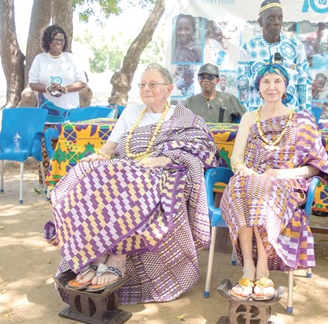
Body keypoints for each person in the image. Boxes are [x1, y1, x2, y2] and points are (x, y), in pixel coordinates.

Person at [44, 63, 218, 304]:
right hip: (126, 170)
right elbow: (109, 149)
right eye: (142, 84)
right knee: (90, 177)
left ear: (168, 89)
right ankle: (95, 253)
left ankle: (118, 258)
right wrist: (92, 161)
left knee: (130, 184)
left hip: (161, 174)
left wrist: (164, 158)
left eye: (152, 84)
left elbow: (203, 149)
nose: (146, 89)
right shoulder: (131, 112)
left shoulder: (183, 116)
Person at [220, 56, 328, 300]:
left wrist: (279, 174)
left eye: (277, 81)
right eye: (265, 81)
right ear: (258, 87)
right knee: (244, 187)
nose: (271, 87)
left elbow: (315, 168)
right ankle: (248, 267)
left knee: (262, 192)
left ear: (285, 86)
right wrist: (245, 171)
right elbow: (236, 159)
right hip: (249, 179)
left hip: (286, 183)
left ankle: (262, 268)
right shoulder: (248, 118)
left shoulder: (302, 119)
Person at [28, 25, 87, 183]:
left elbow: (82, 82)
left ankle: (70, 182)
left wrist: (65, 89)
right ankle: (48, 182)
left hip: (69, 112)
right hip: (47, 114)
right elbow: (32, 83)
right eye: (55, 40)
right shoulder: (40, 59)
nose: (58, 43)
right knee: (48, 147)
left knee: (70, 147)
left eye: (61, 40)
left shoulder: (71, 59)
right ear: (48, 41)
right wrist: (47, 88)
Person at [237, 0, 312, 112]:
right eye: (271, 18)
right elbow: (240, 84)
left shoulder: (295, 46)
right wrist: (263, 74)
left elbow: (304, 83)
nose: (277, 22)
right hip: (257, 115)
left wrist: (306, 114)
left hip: (289, 115)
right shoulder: (248, 47)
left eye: (280, 18)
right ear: (260, 22)